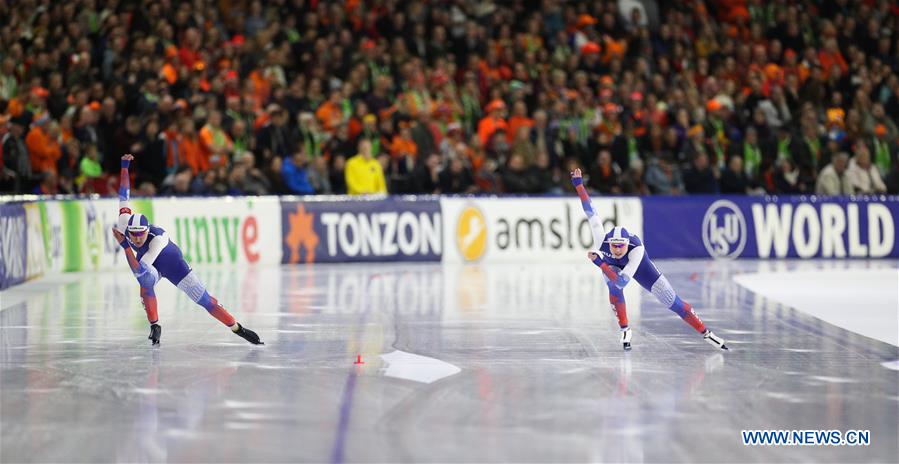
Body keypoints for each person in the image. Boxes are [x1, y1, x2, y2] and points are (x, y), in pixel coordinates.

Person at [111, 154, 262, 346]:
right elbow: (124, 194)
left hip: (173, 265)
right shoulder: (124, 223)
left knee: (206, 302)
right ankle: (155, 325)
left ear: (147, 230)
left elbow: (139, 271)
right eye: (133, 234)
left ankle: (237, 328)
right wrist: (124, 167)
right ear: (128, 230)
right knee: (147, 281)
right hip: (151, 266)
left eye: (141, 234)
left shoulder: (157, 239)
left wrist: (125, 246)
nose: (137, 238)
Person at [569, 168, 728, 351]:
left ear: (627, 244)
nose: (617, 249)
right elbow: (590, 211)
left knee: (673, 302)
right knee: (612, 285)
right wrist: (579, 186)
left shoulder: (636, 250)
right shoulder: (601, 239)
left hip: (640, 268)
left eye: (621, 246)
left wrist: (600, 263)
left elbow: (622, 282)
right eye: (614, 245)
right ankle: (625, 329)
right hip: (613, 267)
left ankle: (706, 333)